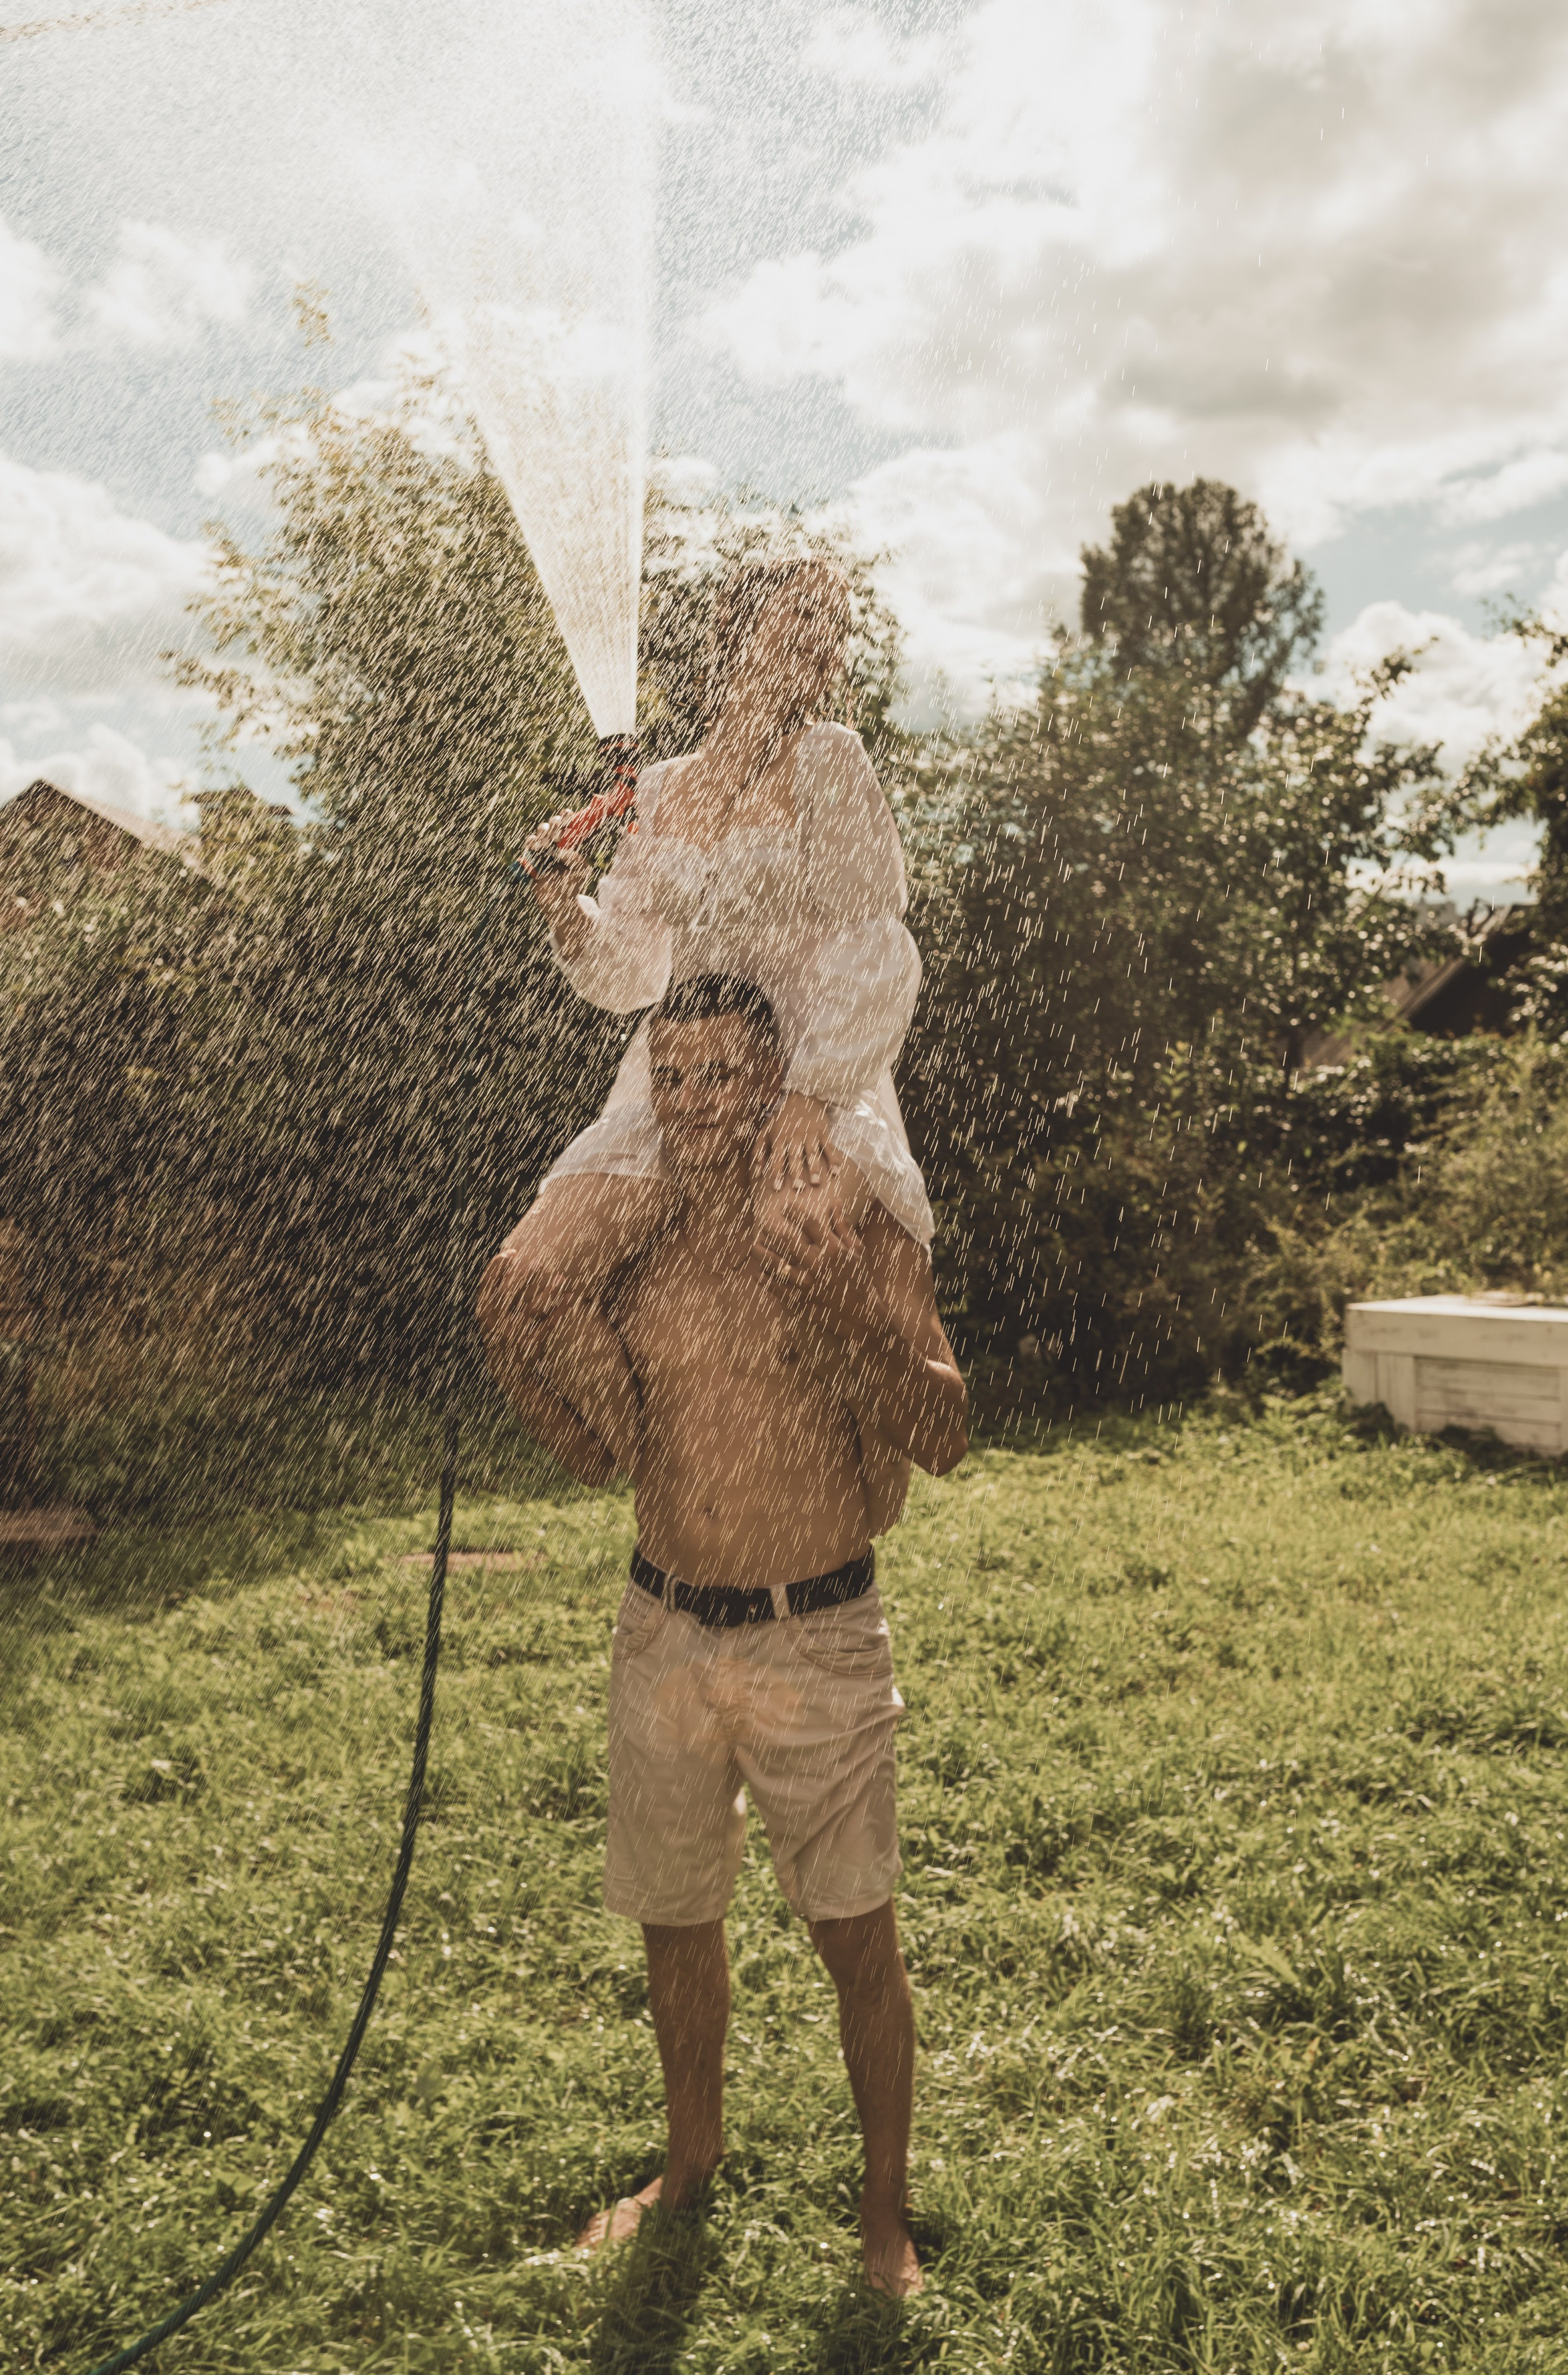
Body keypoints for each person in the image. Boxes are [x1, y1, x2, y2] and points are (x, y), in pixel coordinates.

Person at [476, 972, 968, 2298]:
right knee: (675, 1919)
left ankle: (883, 2217)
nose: (695, 1103)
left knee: (855, 1933)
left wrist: (842, 1303)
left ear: (777, 1085)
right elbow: (596, 1457)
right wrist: (518, 1349)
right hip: (666, 1629)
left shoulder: (845, 1221)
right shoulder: (631, 1245)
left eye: (724, 1074)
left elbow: (945, 1432)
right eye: (673, 1076)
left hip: (817, 1633)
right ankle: (690, 2163)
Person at [505, 555, 932, 1333]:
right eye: (803, 616)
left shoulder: (830, 757)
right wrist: (565, 907)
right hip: (681, 1081)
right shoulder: (658, 787)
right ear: (739, 629)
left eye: (834, 628)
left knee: (792, 1271)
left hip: (811, 1074)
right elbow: (631, 973)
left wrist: (809, 1096)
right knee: (523, 1287)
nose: (824, 640)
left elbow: (878, 940)